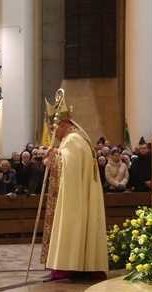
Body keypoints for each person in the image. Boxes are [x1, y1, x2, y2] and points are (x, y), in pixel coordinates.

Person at [42, 96, 108, 279]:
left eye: (54, 128)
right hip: (81, 194)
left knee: (70, 224)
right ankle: (81, 264)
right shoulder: (79, 137)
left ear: (63, 125)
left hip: (74, 196)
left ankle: (68, 265)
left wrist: (52, 160)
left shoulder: (72, 140)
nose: (53, 133)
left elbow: (69, 167)